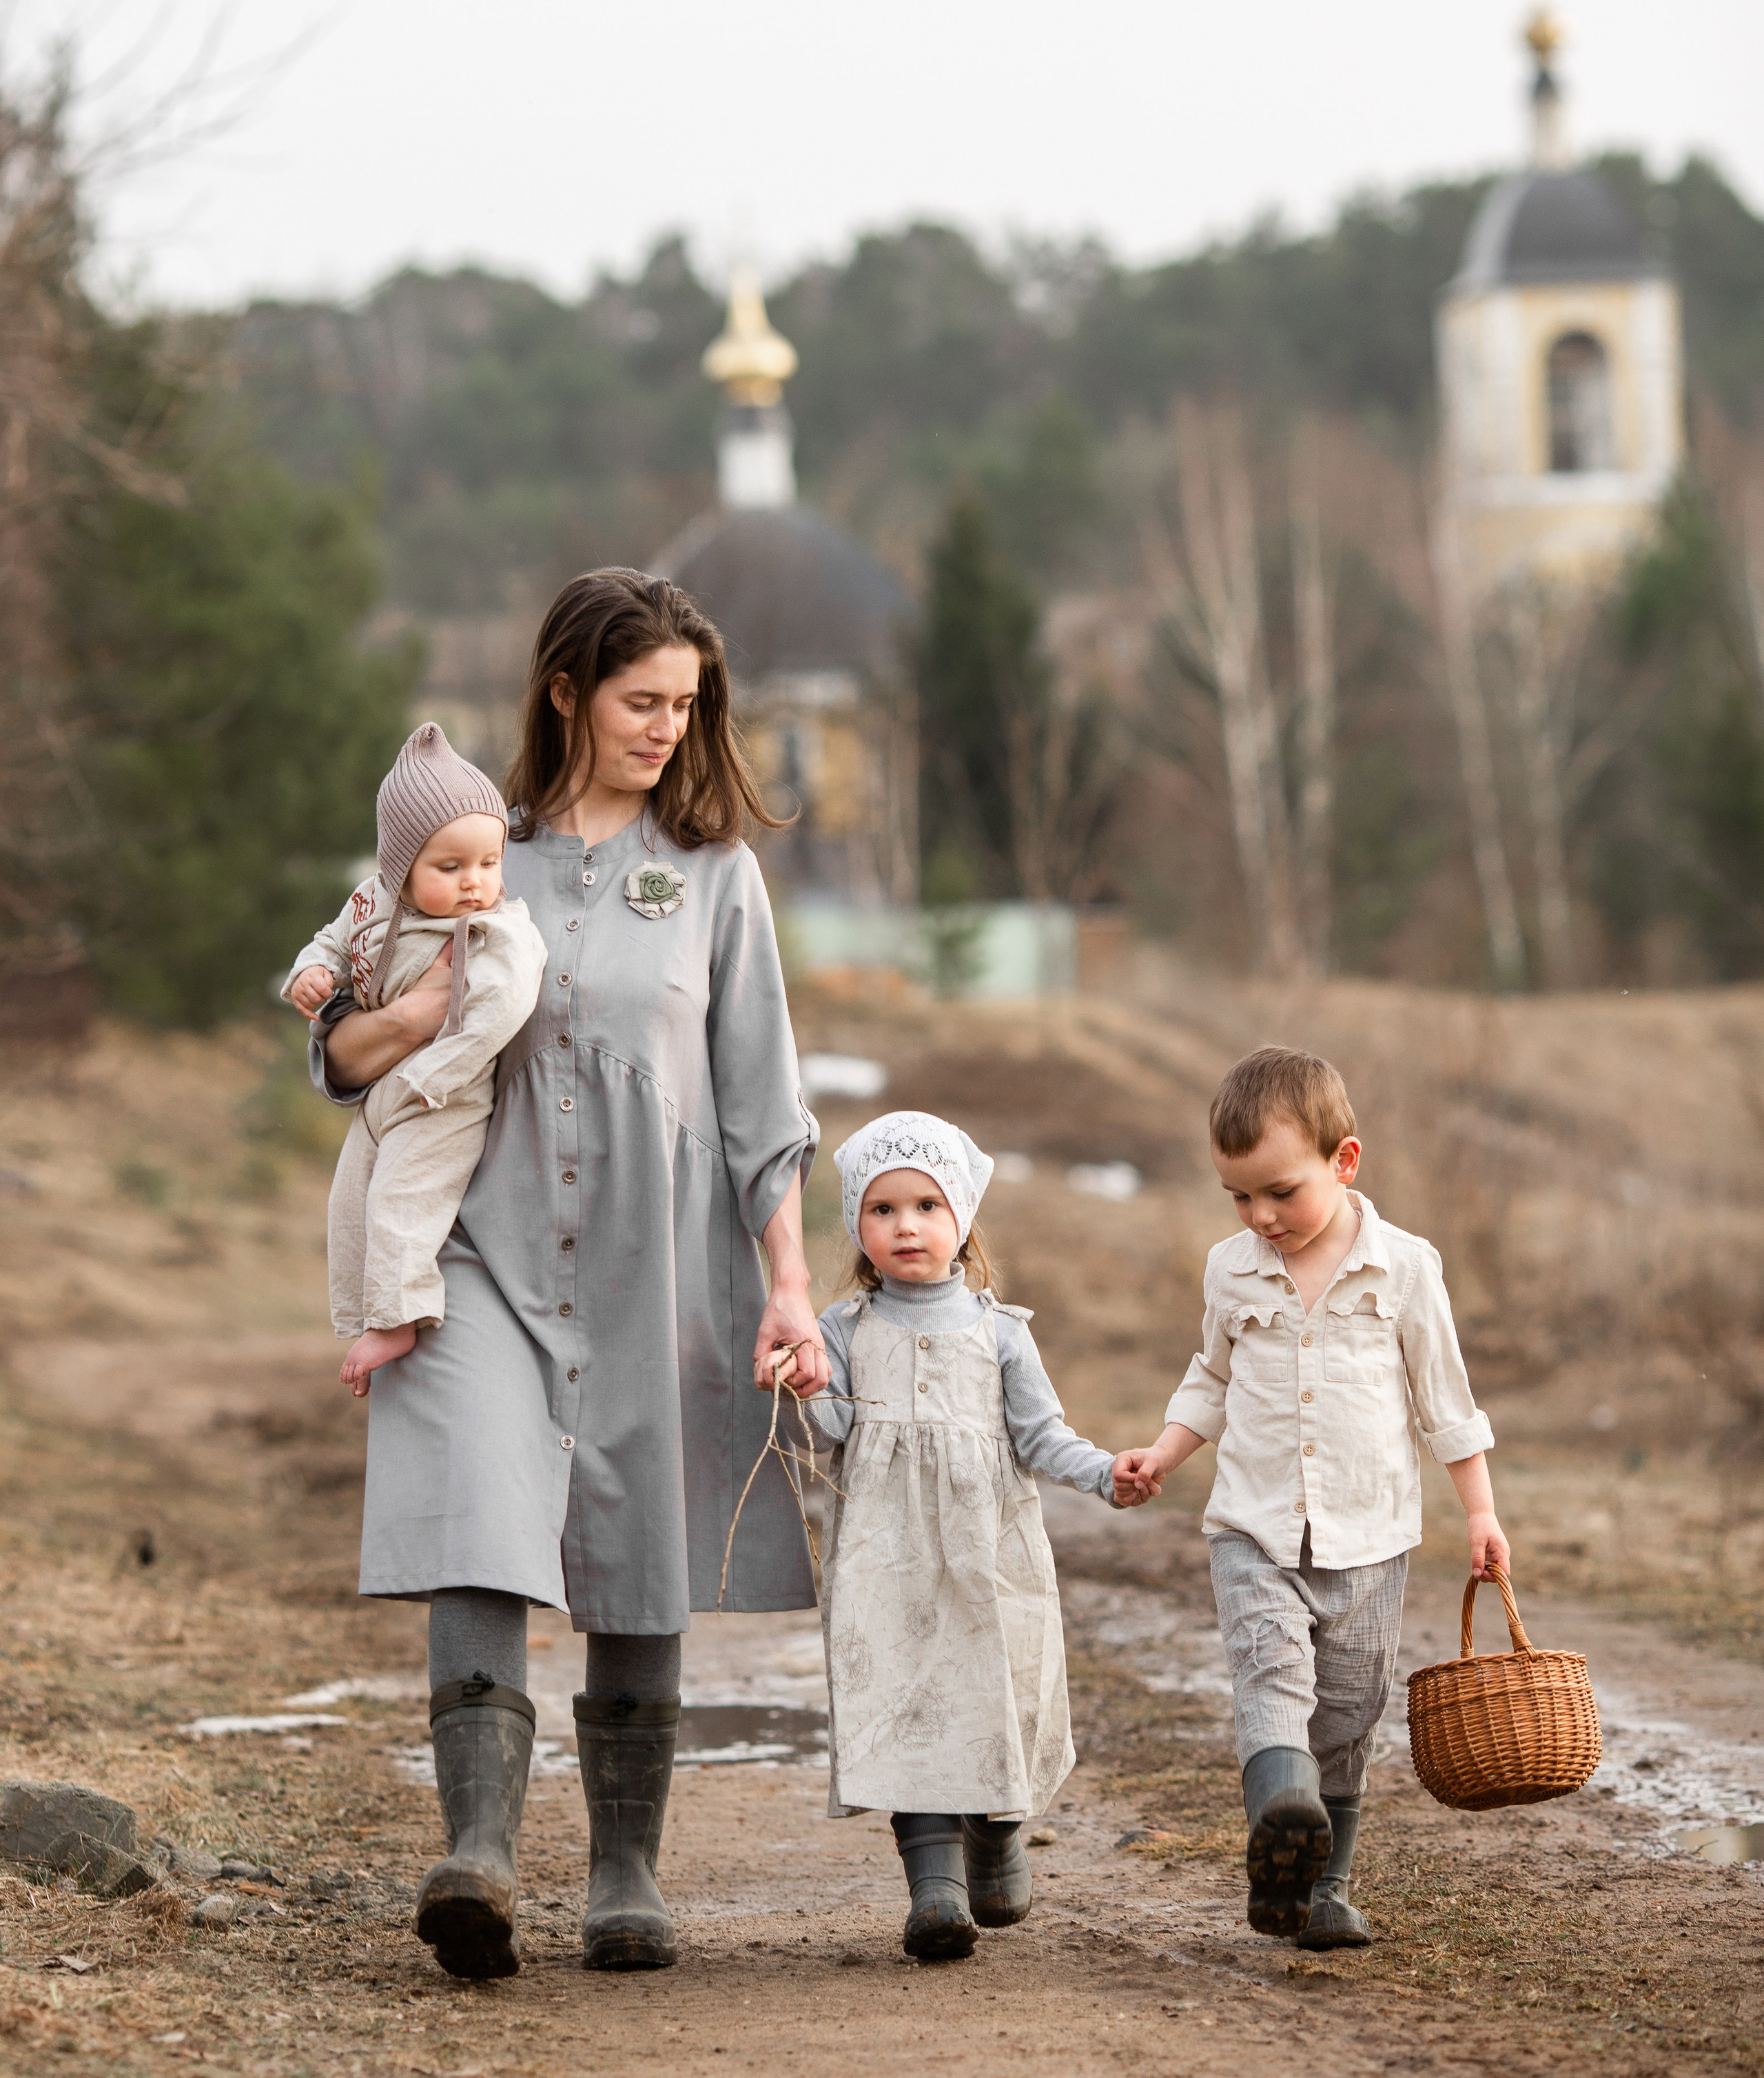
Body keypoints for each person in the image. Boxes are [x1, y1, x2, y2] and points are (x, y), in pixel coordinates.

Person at [306, 570, 830, 1982]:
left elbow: (758, 1102)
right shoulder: (474, 850)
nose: (668, 726)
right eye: (640, 699)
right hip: (476, 1245)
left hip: (656, 1265)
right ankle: (476, 1852)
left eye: (685, 704)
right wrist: (413, 1006)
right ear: (564, 692)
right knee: (479, 1517)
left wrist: (786, 1284)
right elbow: (340, 1050)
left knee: (637, 1545)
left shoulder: (714, 875)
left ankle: (623, 1871)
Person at [1112, 1045, 1510, 1949]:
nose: (1260, 1216)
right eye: (1239, 1197)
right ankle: (1280, 1821)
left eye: (1279, 1192)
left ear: (1345, 1160)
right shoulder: (1232, 1269)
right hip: (1252, 1528)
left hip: (1370, 1540)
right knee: (1271, 1678)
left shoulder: (1404, 1269)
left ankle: (1317, 1888)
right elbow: (1208, 1379)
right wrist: (1165, 1454)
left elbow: (1446, 1403)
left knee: (1347, 1712)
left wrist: (1480, 1513)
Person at [811, 1109, 1120, 1963]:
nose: (905, 1225)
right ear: (856, 1226)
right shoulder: (842, 1329)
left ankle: (995, 1832)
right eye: (881, 1210)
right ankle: (935, 1887)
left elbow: (1043, 1434)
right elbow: (829, 1428)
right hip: (886, 1556)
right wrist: (802, 1381)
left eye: (925, 1205)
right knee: (907, 1697)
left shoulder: (1000, 1330)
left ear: (962, 1221)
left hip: (989, 1554)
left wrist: (1104, 1471)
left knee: (995, 1692)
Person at [282, 723, 547, 1388]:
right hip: (382, 1093)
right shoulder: (371, 902)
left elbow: (500, 1009)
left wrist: (434, 1078)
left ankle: (401, 1316)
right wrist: (311, 973)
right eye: (451, 867)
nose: (474, 883)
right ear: (400, 865)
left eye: (489, 864)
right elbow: (330, 944)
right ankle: (362, 1312)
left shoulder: (495, 928)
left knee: (404, 1195)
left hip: (445, 1096)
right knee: (353, 1200)